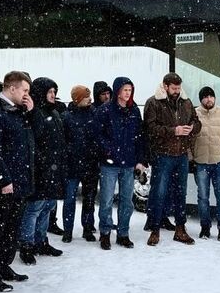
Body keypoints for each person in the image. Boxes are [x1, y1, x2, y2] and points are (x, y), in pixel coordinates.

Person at [0, 71, 36, 291]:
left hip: (20, 181)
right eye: (25, 90)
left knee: (12, 228)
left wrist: (29, 113)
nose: (27, 95)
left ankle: (4, 265)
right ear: (12, 89)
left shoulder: (19, 112)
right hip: (1, 184)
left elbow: (29, 141)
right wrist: (3, 179)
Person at [143, 73, 201, 247]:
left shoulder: (187, 102)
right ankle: (154, 229)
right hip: (163, 154)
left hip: (182, 155)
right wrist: (172, 131)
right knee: (159, 192)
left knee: (180, 193)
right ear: (165, 86)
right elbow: (150, 128)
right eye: (174, 88)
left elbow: (197, 122)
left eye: (178, 88)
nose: (177, 91)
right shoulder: (153, 102)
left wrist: (192, 128)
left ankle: (180, 228)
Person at [94, 77, 148, 250]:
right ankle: (105, 233)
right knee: (107, 200)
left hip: (129, 162)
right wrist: (108, 151)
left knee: (127, 201)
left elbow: (140, 137)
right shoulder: (105, 110)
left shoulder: (134, 111)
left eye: (130, 90)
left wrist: (141, 160)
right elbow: (97, 134)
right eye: (125, 90)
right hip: (109, 163)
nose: (128, 93)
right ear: (118, 91)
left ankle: (123, 233)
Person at [19, 77, 68, 264]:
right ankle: (26, 245)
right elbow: (36, 136)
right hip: (39, 169)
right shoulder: (34, 112)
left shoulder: (54, 112)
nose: (53, 95)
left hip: (54, 168)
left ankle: (41, 241)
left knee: (48, 206)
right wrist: (32, 112)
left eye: (54, 92)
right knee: (34, 208)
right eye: (49, 92)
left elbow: (59, 140)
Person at [191, 86, 220, 241]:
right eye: (205, 97)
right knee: (203, 197)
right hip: (201, 163)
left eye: (211, 96)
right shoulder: (193, 114)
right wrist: (190, 158)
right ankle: (205, 228)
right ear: (201, 100)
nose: (208, 99)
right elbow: (188, 139)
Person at [62, 85, 100, 243]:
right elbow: (63, 141)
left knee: (89, 199)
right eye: (86, 96)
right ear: (78, 99)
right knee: (69, 199)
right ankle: (68, 230)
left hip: (90, 164)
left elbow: (98, 135)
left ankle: (88, 228)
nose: (89, 98)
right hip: (72, 165)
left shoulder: (94, 113)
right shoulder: (66, 116)